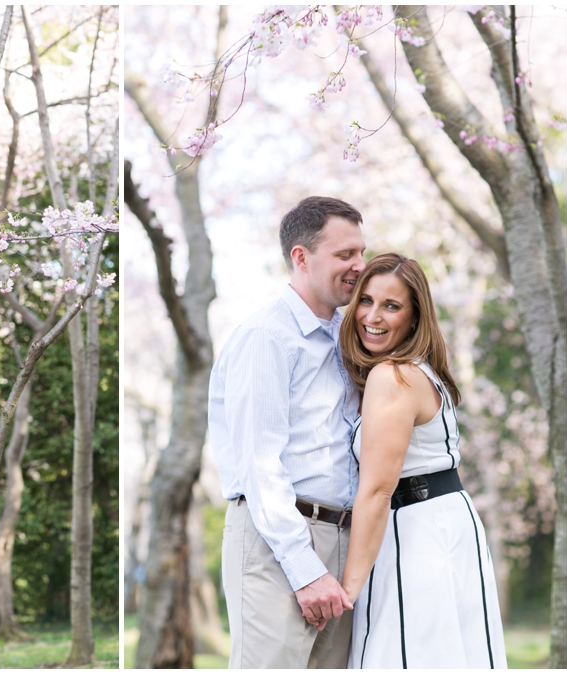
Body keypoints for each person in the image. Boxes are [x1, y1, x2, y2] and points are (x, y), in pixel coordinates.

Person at [208, 196, 366, 668]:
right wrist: (304, 570)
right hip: (277, 540)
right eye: (345, 255)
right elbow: (260, 466)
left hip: (343, 538)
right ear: (301, 257)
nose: (359, 266)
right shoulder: (267, 337)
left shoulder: (347, 335)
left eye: (362, 252)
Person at [338, 253, 507, 668]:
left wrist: (348, 591)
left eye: (391, 306)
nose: (372, 316)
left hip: (415, 532)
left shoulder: (392, 376)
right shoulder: (420, 370)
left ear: (414, 319)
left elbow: (377, 490)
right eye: (366, 300)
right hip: (444, 522)